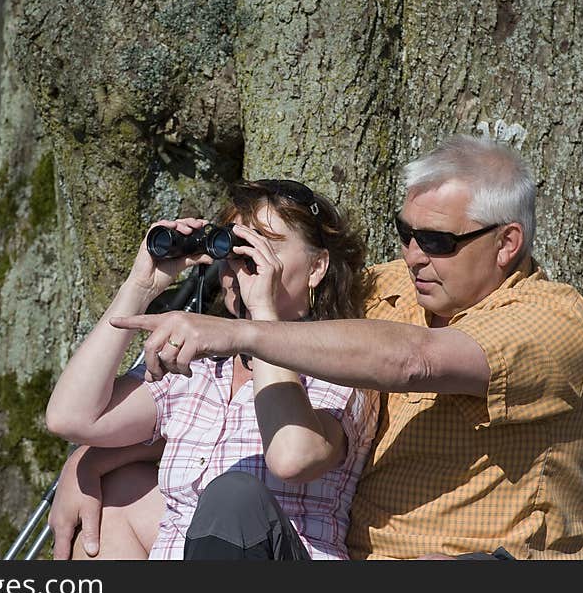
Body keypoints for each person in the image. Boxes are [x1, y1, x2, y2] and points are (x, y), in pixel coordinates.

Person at [52, 134, 583, 560]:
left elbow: (414, 359)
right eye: (406, 234)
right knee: (125, 500)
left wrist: (247, 328)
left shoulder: (554, 322)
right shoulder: (391, 288)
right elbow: (201, 423)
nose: (415, 256)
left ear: (507, 243)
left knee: (234, 501)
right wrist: (89, 460)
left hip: (478, 562)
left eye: (437, 242)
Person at [45, 179, 376, 559]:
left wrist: (263, 319)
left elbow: (292, 457)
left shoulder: (339, 366)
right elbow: (71, 418)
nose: (243, 265)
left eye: (265, 247)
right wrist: (140, 286)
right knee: (117, 497)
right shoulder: (200, 368)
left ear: (316, 267)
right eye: (236, 248)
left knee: (233, 496)